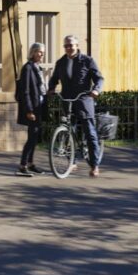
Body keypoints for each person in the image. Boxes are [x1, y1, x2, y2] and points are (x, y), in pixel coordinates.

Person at [50, 33, 104, 176]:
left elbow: (98, 78)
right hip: (67, 100)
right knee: (69, 130)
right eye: (66, 45)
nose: (68, 48)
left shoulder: (87, 61)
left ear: (77, 46)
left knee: (89, 131)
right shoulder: (61, 62)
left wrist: (96, 90)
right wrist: (51, 88)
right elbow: (54, 78)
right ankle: (72, 161)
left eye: (71, 45)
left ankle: (94, 165)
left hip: (84, 100)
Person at [12, 41, 50, 176]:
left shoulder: (37, 67)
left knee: (35, 137)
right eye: (39, 52)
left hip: (38, 107)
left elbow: (40, 88)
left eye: (43, 52)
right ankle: (23, 165)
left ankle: (30, 163)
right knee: (32, 137)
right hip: (32, 108)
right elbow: (25, 91)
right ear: (33, 52)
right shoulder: (27, 68)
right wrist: (29, 110)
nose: (41, 54)